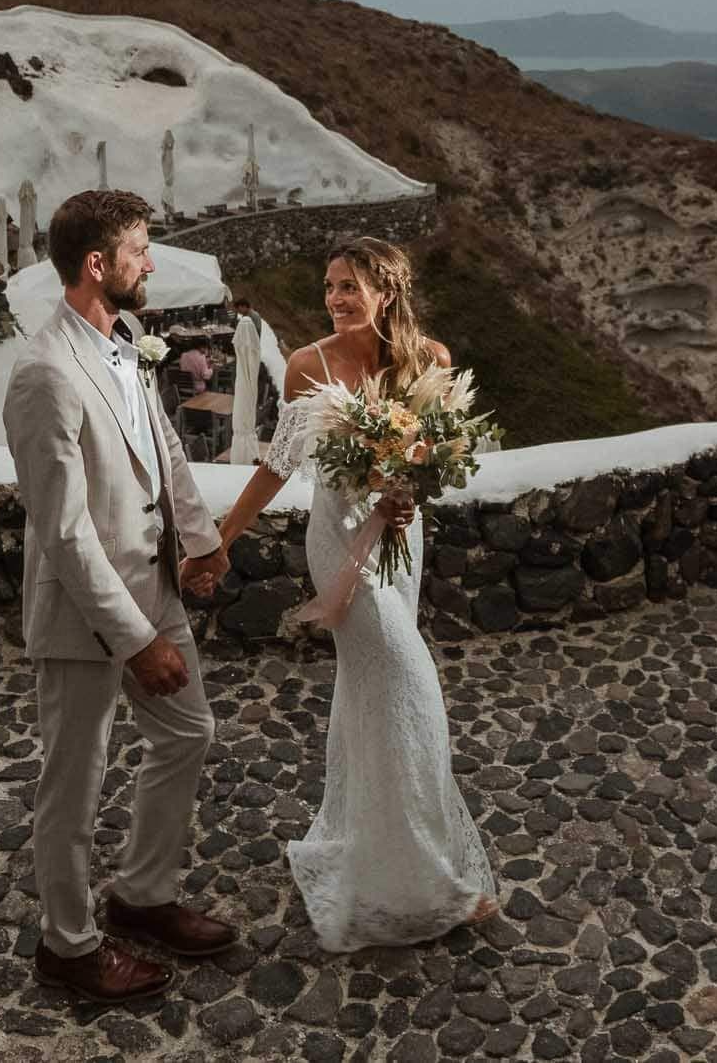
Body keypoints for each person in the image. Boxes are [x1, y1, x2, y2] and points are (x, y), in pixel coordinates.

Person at [185, 235, 497, 951]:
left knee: (371, 696)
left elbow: (434, 456)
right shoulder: (307, 365)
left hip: (398, 544)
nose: (334, 298)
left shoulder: (430, 362)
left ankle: (371, 856)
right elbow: (277, 463)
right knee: (412, 686)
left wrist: (411, 493)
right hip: (337, 543)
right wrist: (223, 538)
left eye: (349, 285)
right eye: (329, 286)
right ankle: (431, 880)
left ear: (385, 290)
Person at [1, 188, 237, 1004]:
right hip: (87, 614)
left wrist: (199, 537)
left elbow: (161, 443)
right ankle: (67, 947)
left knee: (188, 732)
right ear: (97, 265)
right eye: (140, 248)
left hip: (157, 579)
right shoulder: (44, 374)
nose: (152, 262)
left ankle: (142, 893)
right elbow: (64, 533)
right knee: (75, 781)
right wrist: (137, 639)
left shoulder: (127, 340)